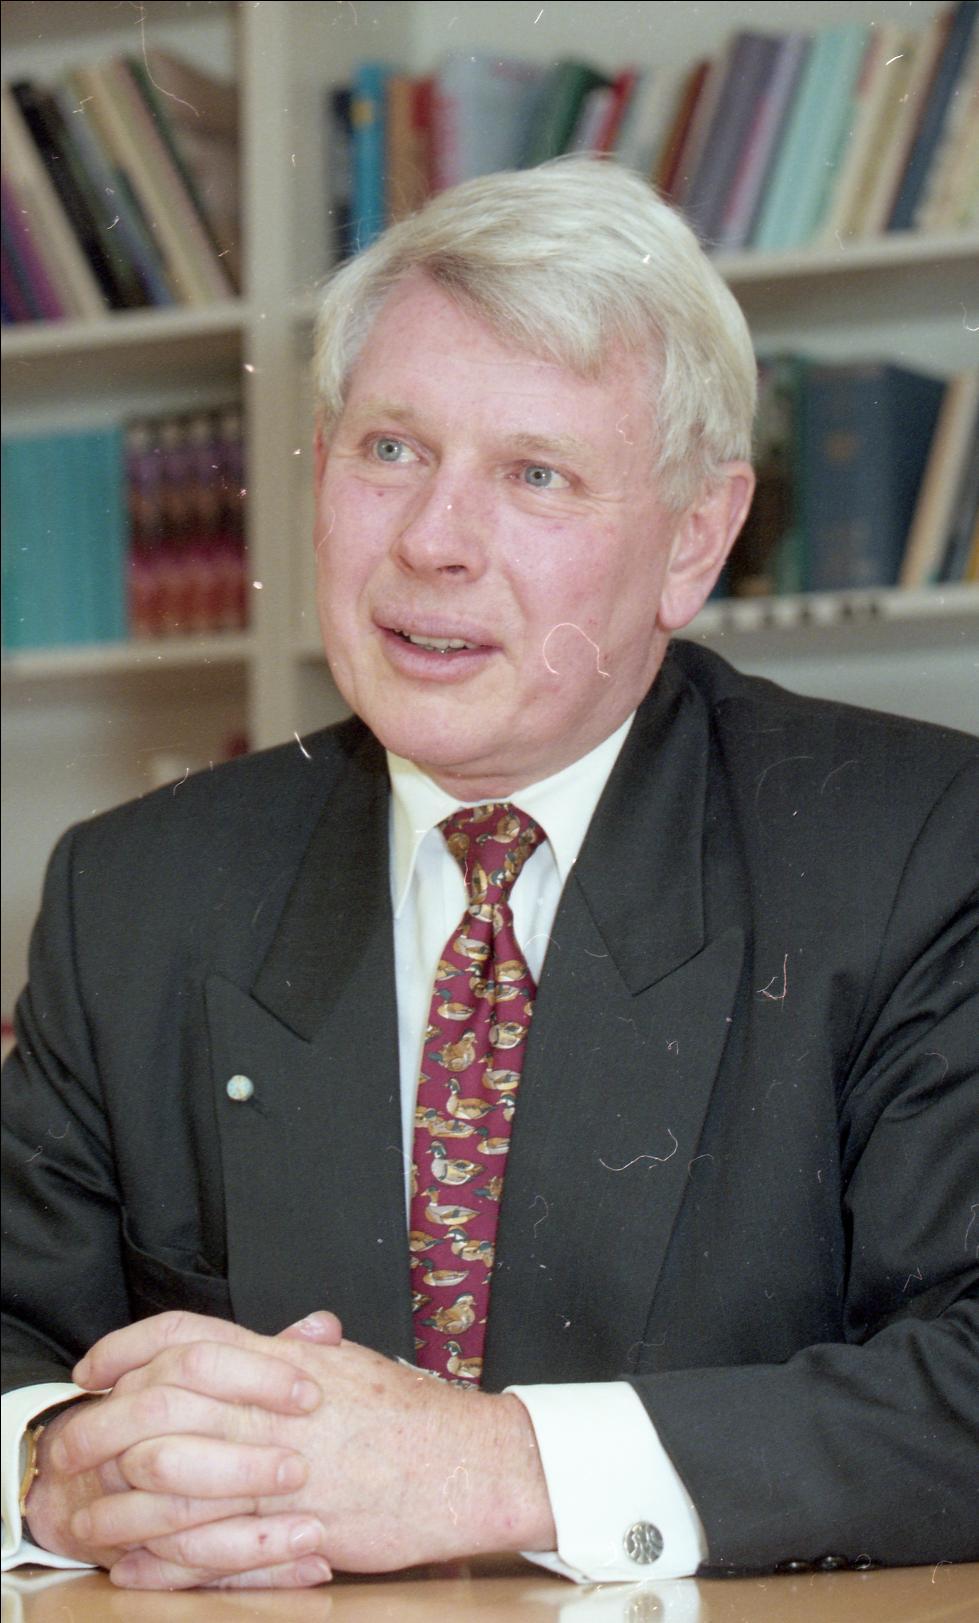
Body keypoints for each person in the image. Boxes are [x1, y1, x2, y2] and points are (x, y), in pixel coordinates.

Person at [2, 159, 976, 1594]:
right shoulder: (132, 889)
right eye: (392, 449)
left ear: (694, 540)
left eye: (536, 475)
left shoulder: (920, 848)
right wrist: (57, 1468)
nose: (431, 542)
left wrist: (490, 1466)